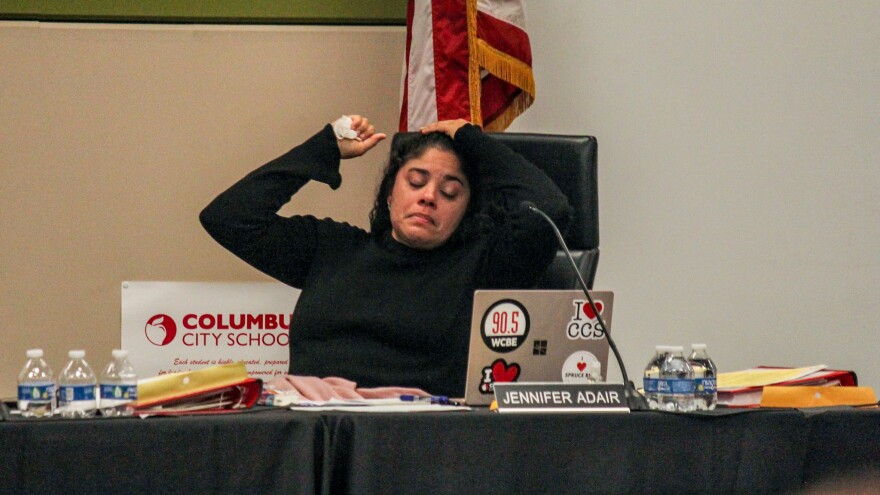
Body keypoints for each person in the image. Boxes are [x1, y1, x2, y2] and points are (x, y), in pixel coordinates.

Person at [200, 115, 571, 397]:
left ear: (466, 210)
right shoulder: (330, 248)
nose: (428, 196)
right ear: (390, 193)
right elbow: (229, 218)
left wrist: (470, 138)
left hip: (406, 446)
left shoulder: (484, 266)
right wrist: (323, 148)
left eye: (451, 191)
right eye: (416, 181)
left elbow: (550, 210)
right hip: (309, 433)